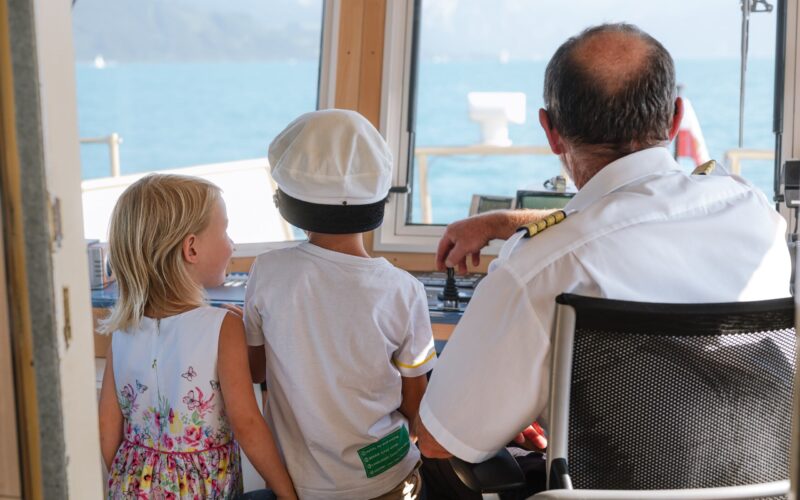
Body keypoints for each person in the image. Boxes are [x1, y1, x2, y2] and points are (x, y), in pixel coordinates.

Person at [415, 22, 791, 472]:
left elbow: (439, 438)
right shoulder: (755, 215)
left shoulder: (539, 270)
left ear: (551, 132)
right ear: (674, 119)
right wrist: (502, 223)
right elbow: (636, 221)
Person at [245, 109, 437, 500]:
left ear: (287, 203)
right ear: (378, 201)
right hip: (387, 477)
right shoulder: (404, 289)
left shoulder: (266, 272)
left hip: (297, 481)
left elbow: (256, 368)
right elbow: (415, 403)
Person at [97, 174, 296, 499]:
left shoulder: (122, 330)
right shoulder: (223, 327)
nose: (231, 243)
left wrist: (132, 479)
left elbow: (108, 430)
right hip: (201, 489)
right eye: (225, 231)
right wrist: (287, 492)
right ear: (191, 248)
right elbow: (247, 423)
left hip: (132, 485)